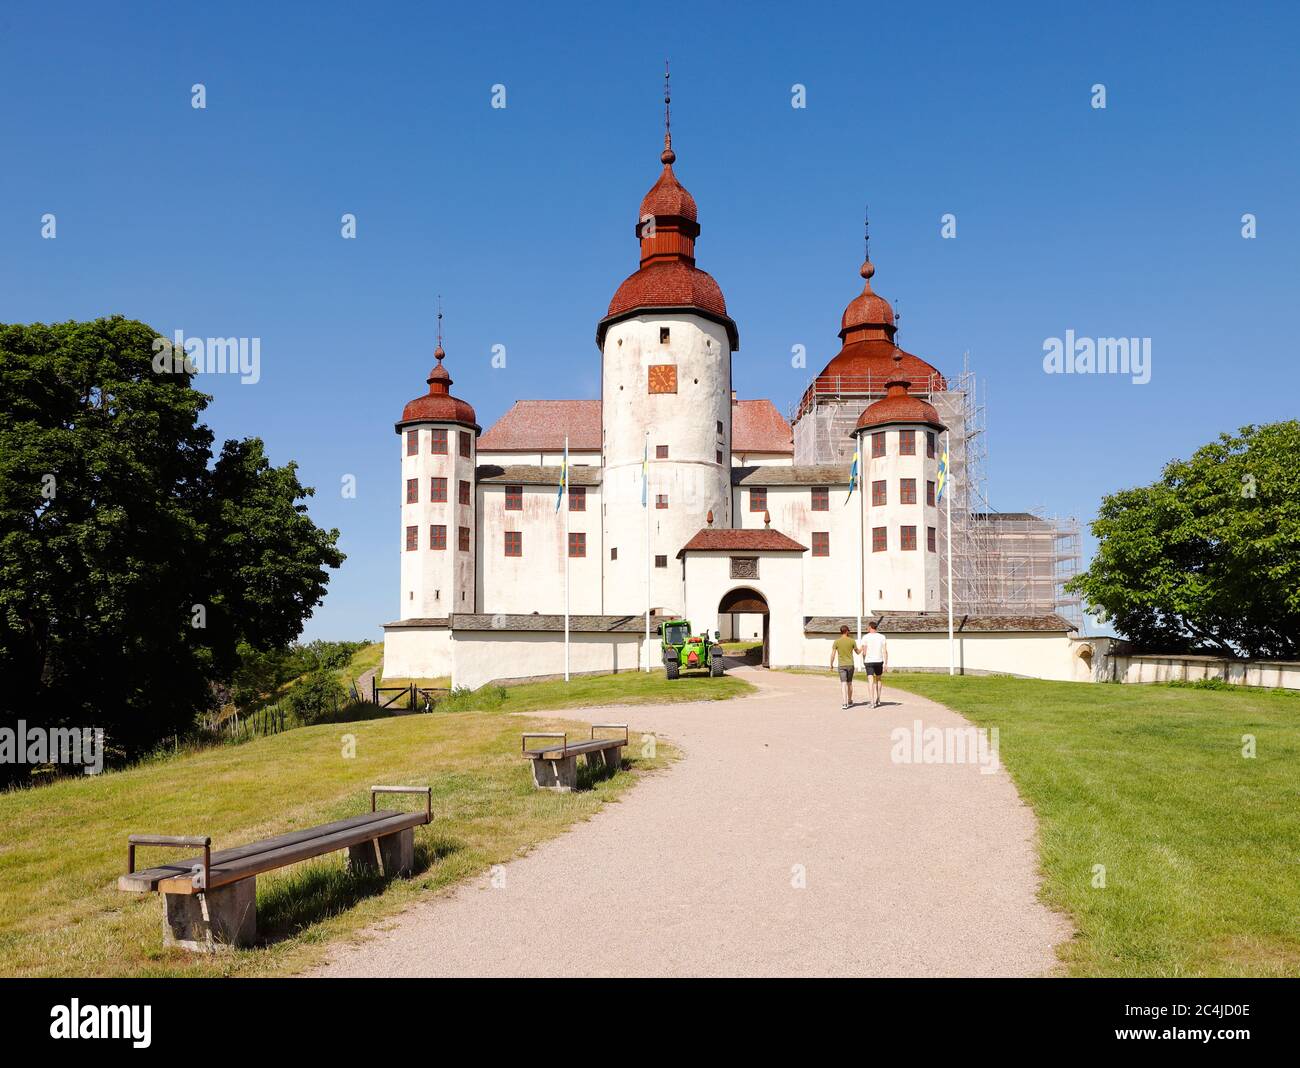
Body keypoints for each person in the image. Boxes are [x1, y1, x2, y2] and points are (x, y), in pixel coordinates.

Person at [860, 620, 887, 707]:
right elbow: (884, 650)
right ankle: (878, 699)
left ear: (871, 627)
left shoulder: (865, 637)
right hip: (879, 660)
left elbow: (864, 652)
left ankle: (872, 702)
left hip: (869, 661)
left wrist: (864, 660)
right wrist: (886, 663)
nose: (867, 628)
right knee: (878, 679)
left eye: (868, 627)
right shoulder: (882, 637)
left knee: (870, 680)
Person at [830, 624, 858, 709]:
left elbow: (833, 655)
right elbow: (857, 652)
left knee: (843, 683)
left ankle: (844, 703)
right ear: (846, 631)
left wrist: (831, 665)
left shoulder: (836, 642)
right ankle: (850, 701)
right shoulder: (852, 641)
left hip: (841, 665)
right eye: (848, 631)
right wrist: (863, 649)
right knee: (849, 683)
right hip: (850, 665)